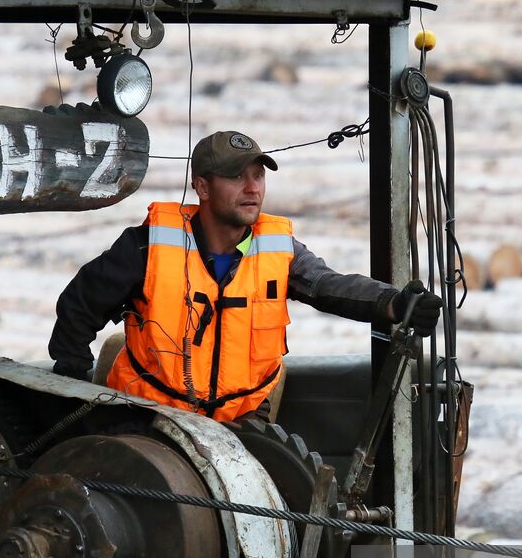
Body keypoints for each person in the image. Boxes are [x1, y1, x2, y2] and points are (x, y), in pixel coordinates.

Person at [48, 130, 443, 422]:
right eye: (237, 177)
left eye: (259, 176)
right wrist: (74, 383)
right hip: (148, 420)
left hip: (244, 423)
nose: (253, 188)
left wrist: (394, 304)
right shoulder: (147, 246)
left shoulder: (277, 250)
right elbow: (78, 305)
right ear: (202, 186)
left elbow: (328, 285)